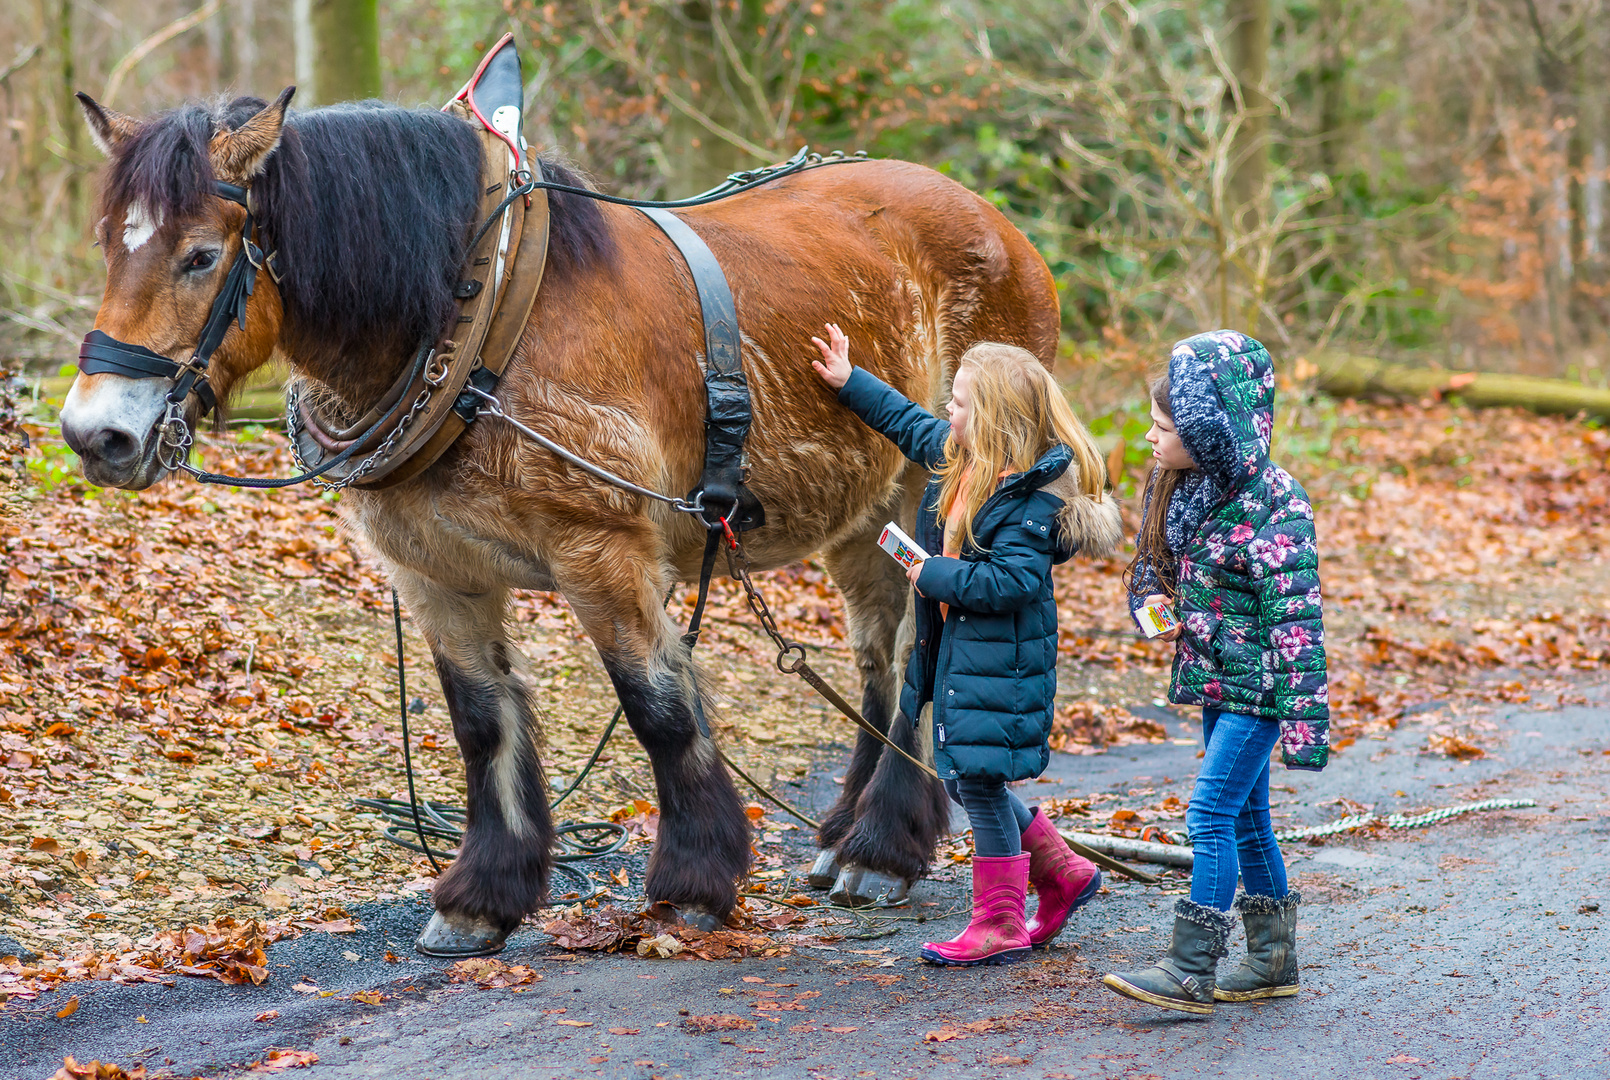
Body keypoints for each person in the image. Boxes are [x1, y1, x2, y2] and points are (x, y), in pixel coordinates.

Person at [809, 324, 1123, 965]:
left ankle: (999, 922)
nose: (946, 412)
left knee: (976, 787)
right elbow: (904, 421)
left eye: (958, 403)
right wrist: (849, 381)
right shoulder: (962, 459)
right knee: (967, 781)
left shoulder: (1028, 504)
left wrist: (932, 574)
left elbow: (1012, 581)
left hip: (999, 668)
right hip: (958, 659)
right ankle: (1062, 873)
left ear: (992, 418)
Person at [1102, 330, 1329, 1015]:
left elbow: (1298, 624)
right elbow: (1152, 563)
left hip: (1257, 689)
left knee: (1208, 815)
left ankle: (1190, 969)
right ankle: (1272, 962)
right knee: (1247, 820)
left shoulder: (1277, 503)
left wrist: (1304, 730)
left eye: (1164, 426)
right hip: (1212, 677)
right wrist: (1148, 604)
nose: (1149, 436)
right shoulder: (1176, 483)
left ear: (1209, 428)